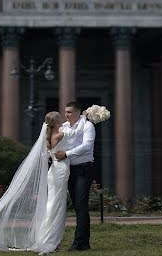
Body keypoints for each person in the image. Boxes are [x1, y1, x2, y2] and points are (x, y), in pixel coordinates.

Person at [0, 110, 87, 253]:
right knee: (56, 205)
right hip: (60, 171)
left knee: (53, 203)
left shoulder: (50, 135)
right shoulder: (59, 134)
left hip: (54, 171)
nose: (63, 120)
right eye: (60, 119)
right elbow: (78, 130)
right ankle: (50, 240)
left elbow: (67, 128)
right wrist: (84, 117)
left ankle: (49, 238)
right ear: (56, 122)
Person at [55, 102, 96, 252]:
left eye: (70, 112)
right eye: (65, 112)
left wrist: (67, 154)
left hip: (84, 169)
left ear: (78, 112)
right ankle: (83, 244)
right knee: (77, 206)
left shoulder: (87, 126)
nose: (66, 115)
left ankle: (79, 243)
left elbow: (87, 145)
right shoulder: (65, 127)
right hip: (69, 169)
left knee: (81, 206)